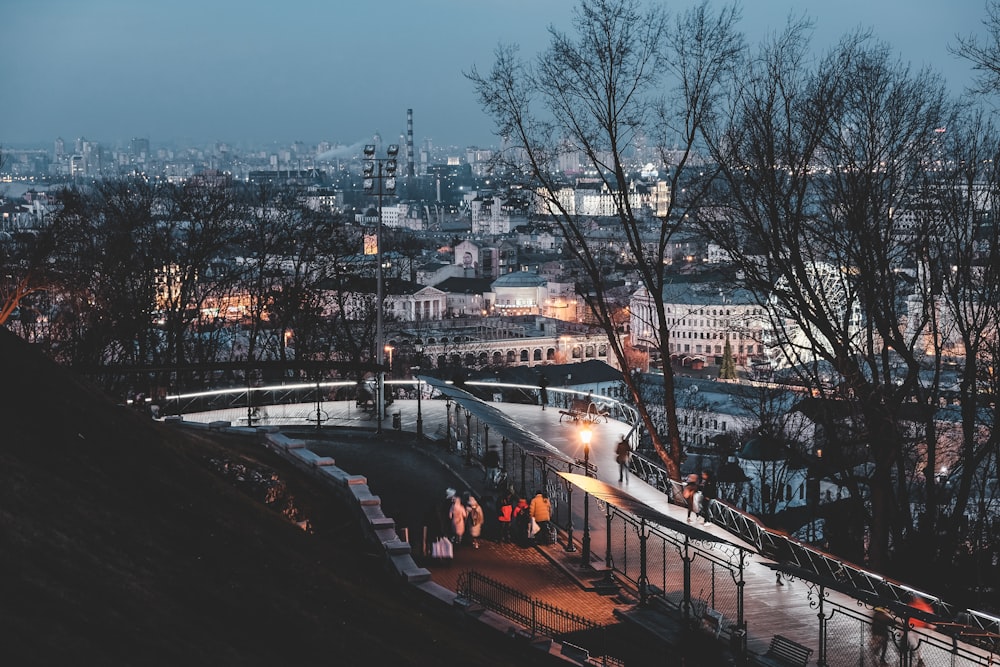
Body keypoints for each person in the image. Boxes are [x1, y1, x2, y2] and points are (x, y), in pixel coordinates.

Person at [906, 595, 934, 666]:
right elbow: (930, 618)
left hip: (914, 628)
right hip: (915, 628)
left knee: (916, 645)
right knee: (917, 645)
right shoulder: (923, 606)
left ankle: (918, 660)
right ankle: (918, 659)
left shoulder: (916, 605)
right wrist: (930, 627)